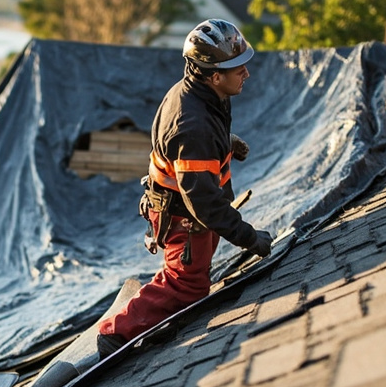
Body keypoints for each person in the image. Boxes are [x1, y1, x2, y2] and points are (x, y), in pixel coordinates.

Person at [97, 19, 273, 357]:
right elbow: (204, 204)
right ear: (215, 75)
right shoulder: (192, 124)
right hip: (183, 213)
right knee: (187, 285)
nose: (247, 74)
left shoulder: (204, 93)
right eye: (238, 69)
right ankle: (115, 334)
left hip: (190, 204)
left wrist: (226, 143)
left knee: (198, 267)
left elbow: (191, 149)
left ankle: (170, 310)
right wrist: (250, 239)